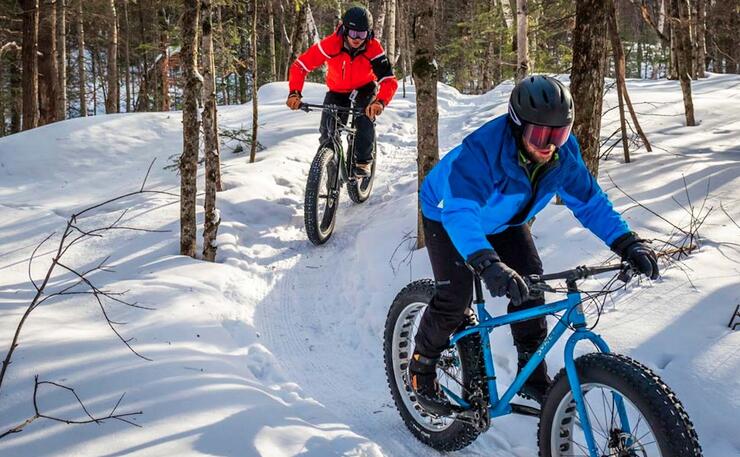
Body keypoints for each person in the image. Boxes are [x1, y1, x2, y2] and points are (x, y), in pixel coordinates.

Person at [410, 75, 659, 415]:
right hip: (447, 213)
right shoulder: (482, 152)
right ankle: (422, 365)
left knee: (531, 282)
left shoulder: (562, 157)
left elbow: (590, 203)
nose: (550, 144)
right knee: (456, 297)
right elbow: (461, 211)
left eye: (560, 133)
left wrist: (628, 243)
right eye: (541, 134)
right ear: (516, 126)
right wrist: (486, 262)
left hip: (504, 220)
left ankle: (531, 371)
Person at [286, 6, 398, 177]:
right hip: (337, 90)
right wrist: (295, 92)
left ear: (368, 34)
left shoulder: (373, 48)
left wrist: (380, 102)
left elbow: (389, 80)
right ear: (344, 30)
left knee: (364, 116)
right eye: (353, 33)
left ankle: (363, 161)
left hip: (364, 87)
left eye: (361, 34)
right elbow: (300, 66)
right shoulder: (331, 44)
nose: (356, 39)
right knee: (327, 132)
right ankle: (329, 166)